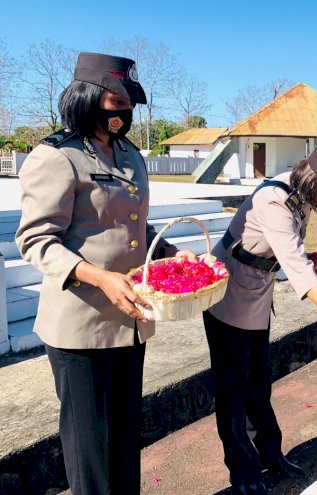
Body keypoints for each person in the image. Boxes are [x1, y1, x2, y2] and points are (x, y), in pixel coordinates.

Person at [15, 52, 194, 495]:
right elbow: (36, 240)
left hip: (132, 319)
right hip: (81, 325)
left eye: (129, 103)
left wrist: (172, 254)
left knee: (125, 438)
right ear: (87, 98)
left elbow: (134, 225)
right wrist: (100, 277)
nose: (124, 113)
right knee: (90, 449)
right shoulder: (57, 156)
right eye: (116, 102)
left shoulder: (129, 153)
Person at [203, 140, 317, 495]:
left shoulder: (297, 193)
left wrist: (308, 258)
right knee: (233, 389)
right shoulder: (275, 199)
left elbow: (290, 254)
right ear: (315, 182)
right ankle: (243, 472)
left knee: (259, 381)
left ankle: (271, 456)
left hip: (257, 291)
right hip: (228, 293)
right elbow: (300, 275)